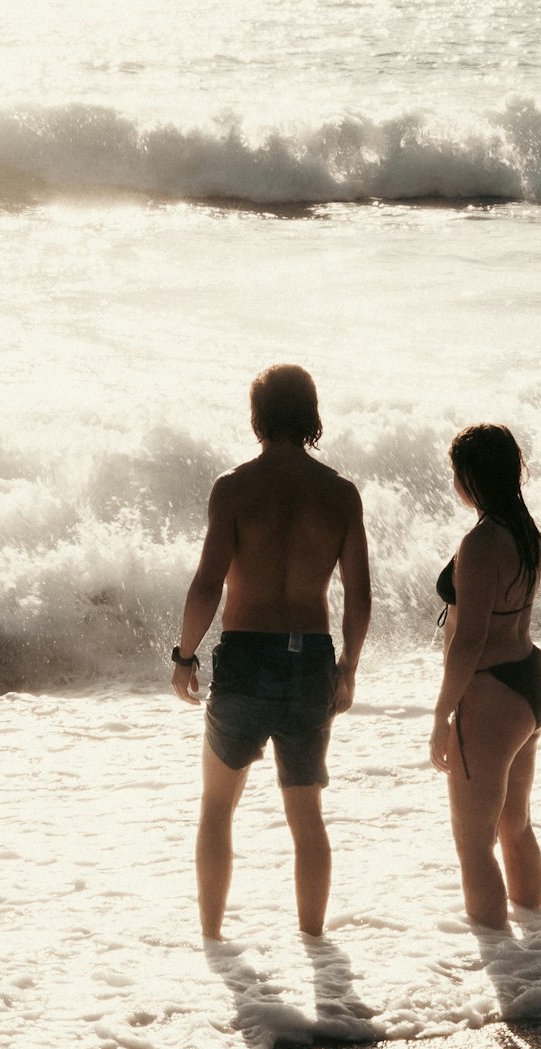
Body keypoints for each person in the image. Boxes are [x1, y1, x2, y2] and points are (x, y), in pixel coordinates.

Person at [171, 365, 371, 940]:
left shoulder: (234, 488)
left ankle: (212, 942)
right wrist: (348, 668)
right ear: (311, 416)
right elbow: (359, 594)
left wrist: (185, 655)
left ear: (257, 415)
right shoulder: (339, 493)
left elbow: (208, 581)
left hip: (246, 659)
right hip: (311, 658)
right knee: (306, 814)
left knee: (216, 805)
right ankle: (315, 946)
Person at [430, 423, 541, 929]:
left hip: (493, 692)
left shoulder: (481, 541)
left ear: (469, 477)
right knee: (515, 824)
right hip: (529, 681)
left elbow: (469, 639)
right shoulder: (524, 530)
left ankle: (503, 972)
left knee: (473, 843)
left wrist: (441, 713)